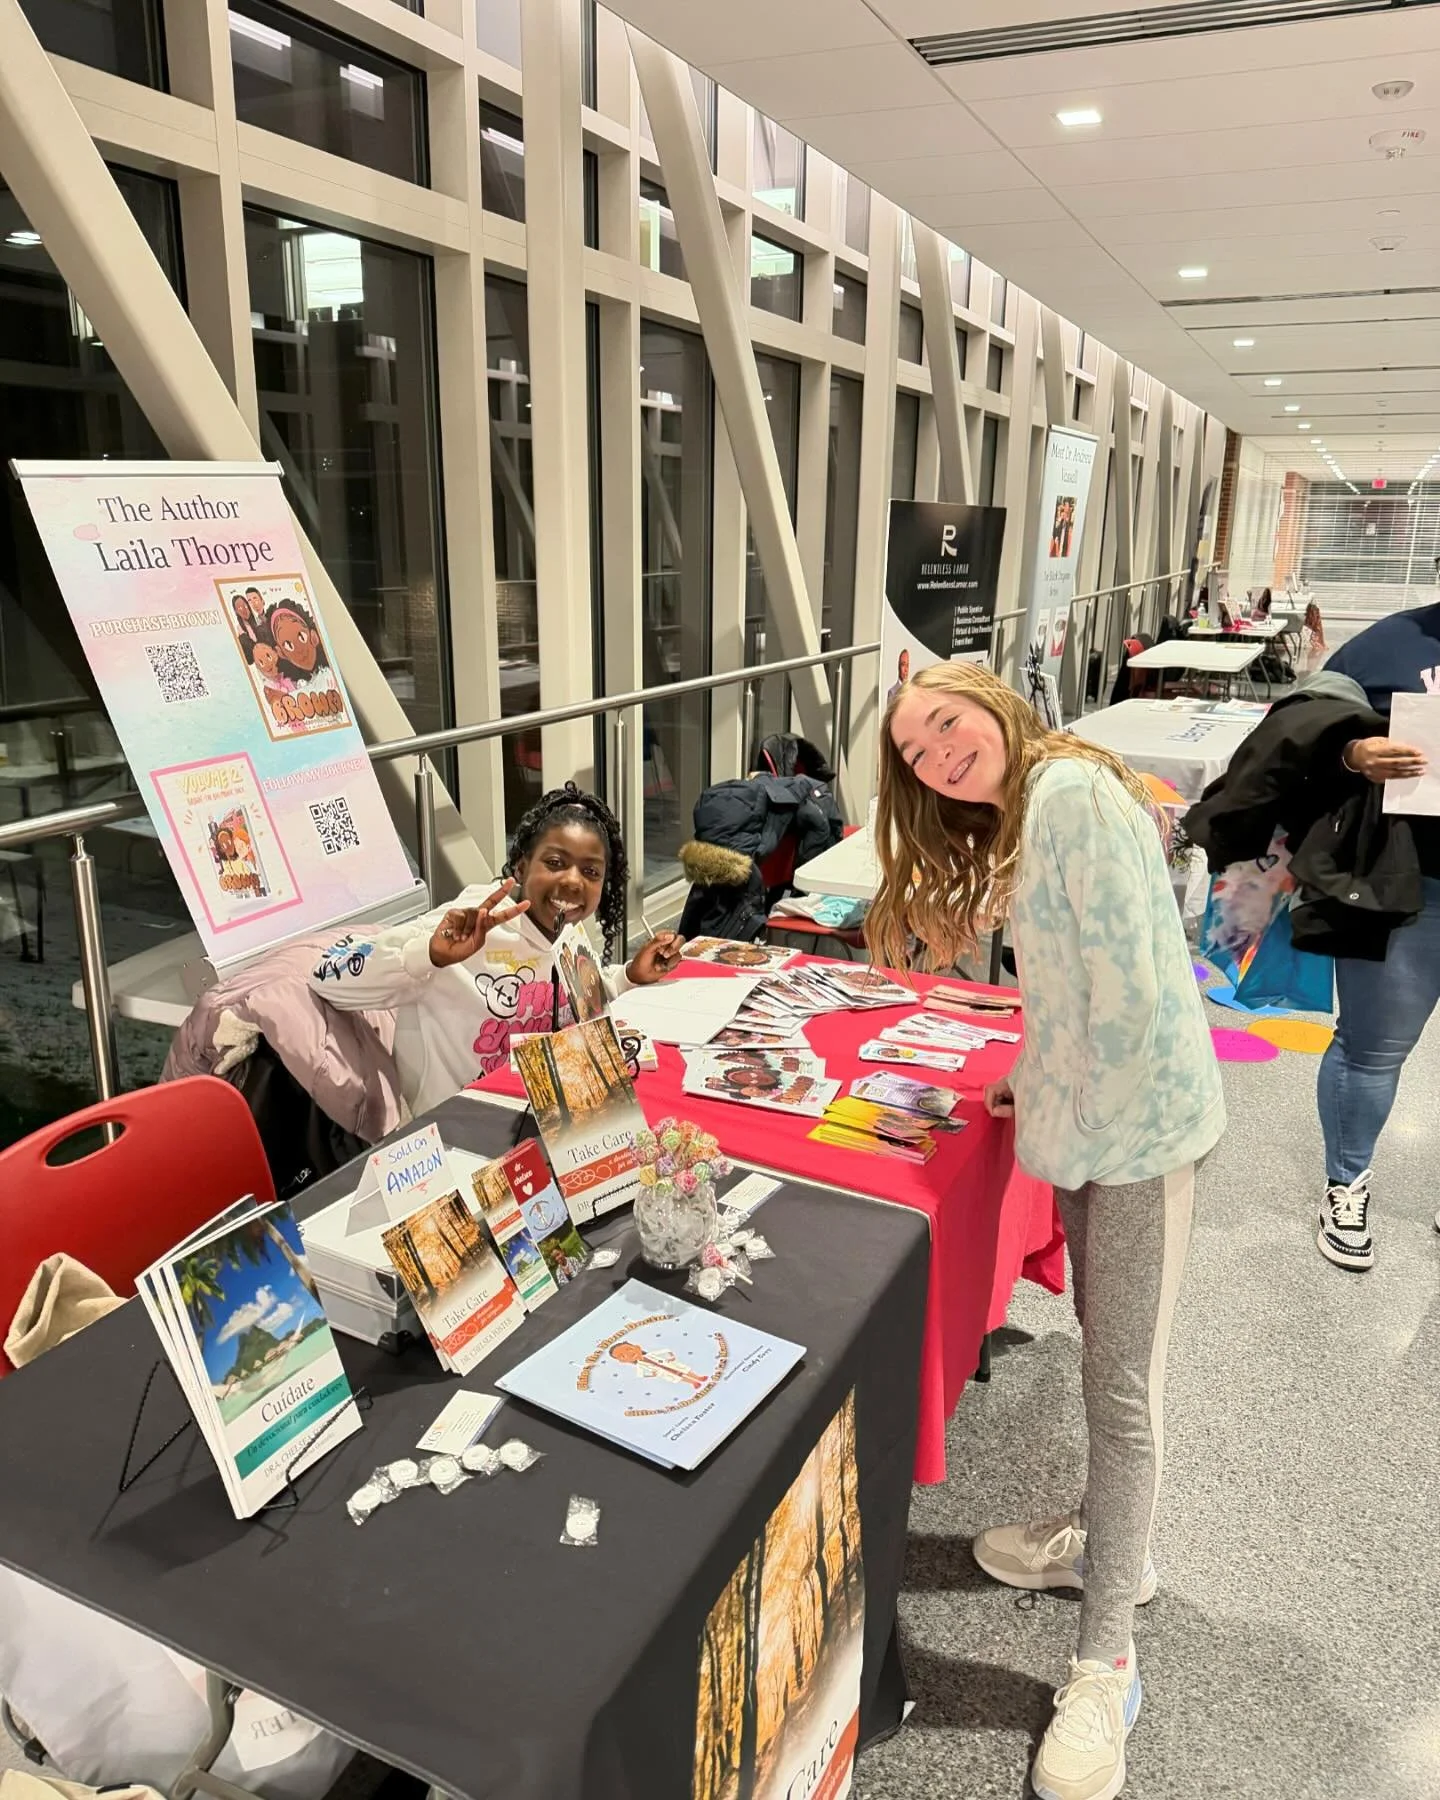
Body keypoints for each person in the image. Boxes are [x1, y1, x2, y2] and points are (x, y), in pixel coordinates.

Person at [866, 662, 1224, 1800]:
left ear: (993, 706)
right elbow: (1081, 986)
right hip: (1098, 1133)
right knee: (1109, 1377)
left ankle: (1107, 1657)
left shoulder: (1066, 796)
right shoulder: (1042, 802)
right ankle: (1106, 1543)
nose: (935, 757)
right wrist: (1037, 1074)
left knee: (1122, 1392)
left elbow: (1133, 1001)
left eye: (945, 725)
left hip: (1139, 1142)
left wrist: (1066, 1098)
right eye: (914, 754)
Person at [312, 786, 682, 1113]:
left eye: (591, 872)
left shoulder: (568, 930)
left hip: (545, 1121)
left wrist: (629, 976)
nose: (572, 881)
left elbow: (581, 999)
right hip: (459, 1136)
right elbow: (327, 977)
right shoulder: (464, 932)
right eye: (555, 863)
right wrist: (428, 954)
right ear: (521, 868)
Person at [1305, 603, 1440, 1268]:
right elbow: (1300, 735)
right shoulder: (1387, 647)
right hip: (1403, 887)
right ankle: (1345, 1182)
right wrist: (1356, 753)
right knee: (1372, 1050)